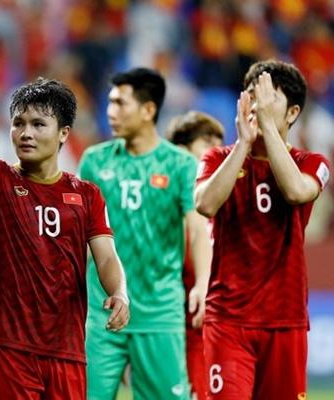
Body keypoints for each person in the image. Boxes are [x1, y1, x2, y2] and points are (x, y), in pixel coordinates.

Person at [0, 14, 130, 399]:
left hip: (66, 352)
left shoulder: (87, 195)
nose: (25, 133)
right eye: (18, 123)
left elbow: (106, 256)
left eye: (38, 124)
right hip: (10, 350)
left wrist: (120, 292)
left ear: (64, 134)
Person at [195, 60, 330, 399]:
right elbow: (205, 204)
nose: (258, 106)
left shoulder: (312, 163)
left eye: (269, 99)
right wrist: (243, 144)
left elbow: (296, 192)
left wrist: (268, 131)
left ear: (293, 112)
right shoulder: (217, 158)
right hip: (227, 319)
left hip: (285, 321)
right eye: (252, 96)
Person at [78, 68, 212, 400]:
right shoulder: (94, 161)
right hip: (102, 312)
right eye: (110, 103)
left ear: (148, 109)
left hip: (159, 313)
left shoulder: (180, 164)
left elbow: (197, 228)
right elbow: (79, 236)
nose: (110, 112)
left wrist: (202, 283)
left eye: (120, 103)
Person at [167, 111, 225, 400]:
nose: (217, 151)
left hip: (217, 333)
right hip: (176, 333)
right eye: (207, 143)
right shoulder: (164, 210)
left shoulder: (222, 205)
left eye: (220, 144)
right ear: (181, 150)